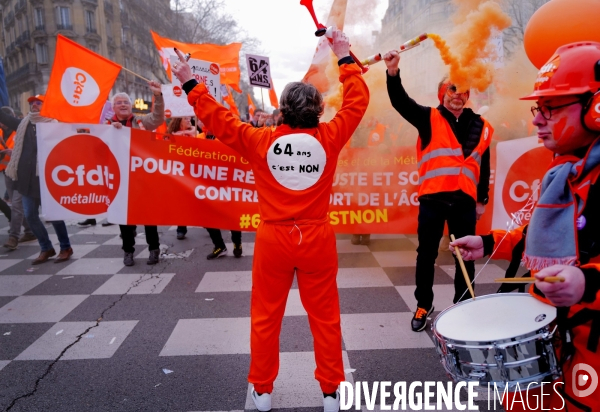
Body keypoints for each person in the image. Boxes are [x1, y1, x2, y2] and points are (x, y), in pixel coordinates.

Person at [172, 28, 369, 412]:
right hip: (316, 237)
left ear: (281, 111)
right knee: (326, 319)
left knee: (265, 317)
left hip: (274, 239)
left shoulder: (260, 141)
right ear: (318, 111)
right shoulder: (329, 138)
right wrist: (345, 56)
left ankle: (261, 391)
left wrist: (188, 81)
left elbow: (219, 119)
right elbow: (357, 104)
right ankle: (332, 391)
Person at [451, 41, 600, 411]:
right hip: (552, 341)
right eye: (539, 108)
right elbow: (536, 235)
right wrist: (488, 244)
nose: (536, 119)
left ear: (596, 108)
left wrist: (589, 283)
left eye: (550, 108)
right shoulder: (563, 172)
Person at [383, 50, 492, 332]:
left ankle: (463, 303)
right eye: (452, 88)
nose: (458, 94)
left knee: (464, 256)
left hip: (465, 202)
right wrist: (393, 72)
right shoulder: (427, 117)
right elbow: (400, 102)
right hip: (433, 200)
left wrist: (482, 200)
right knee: (426, 254)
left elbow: (484, 164)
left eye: (463, 90)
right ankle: (424, 304)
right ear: (442, 92)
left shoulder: (482, 125)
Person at [0, 95, 73, 264]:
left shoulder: (55, 125)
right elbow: (4, 117)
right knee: (31, 215)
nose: (34, 105)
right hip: (26, 179)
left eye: (38, 103)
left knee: (53, 215)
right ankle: (46, 247)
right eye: (32, 103)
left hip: (48, 178)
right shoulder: (23, 124)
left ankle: (65, 247)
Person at [108, 83, 165, 266]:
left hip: (142, 178)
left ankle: (154, 249)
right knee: (123, 217)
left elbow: (158, 117)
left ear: (130, 105)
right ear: (113, 107)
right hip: (120, 179)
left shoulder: (141, 121)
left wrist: (159, 96)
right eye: (119, 103)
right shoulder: (106, 126)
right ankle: (128, 251)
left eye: (126, 102)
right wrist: (110, 132)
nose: (123, 104)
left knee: (148, 215)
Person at [0, 106, 36, 250]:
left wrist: (12, 151)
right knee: (19, 206)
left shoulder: (23, 128)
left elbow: (30, 150)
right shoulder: (3, 132)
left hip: (22, 173)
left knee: (16, 205)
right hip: (9, 172)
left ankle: (13, 237)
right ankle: (29, 230)